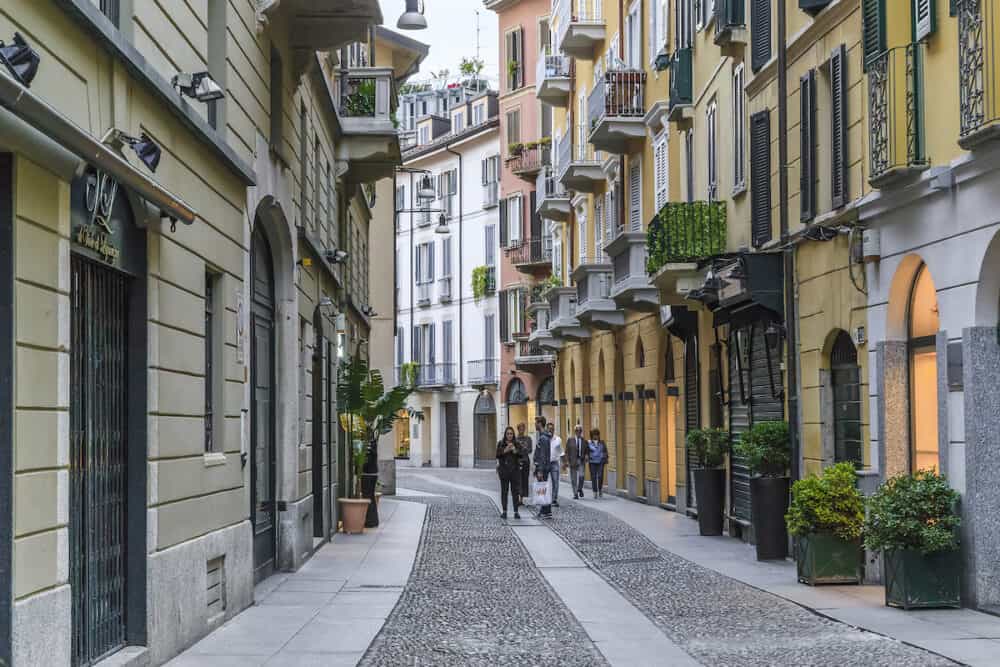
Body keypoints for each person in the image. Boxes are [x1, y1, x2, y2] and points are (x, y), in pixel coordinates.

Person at [496, 426, 522, 519]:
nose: (509, 435)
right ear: (505, 435)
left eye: (511, 433)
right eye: (508, 434)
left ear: (513, 434)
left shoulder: (517, 443)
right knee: (504, 492)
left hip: (514, 471)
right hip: (504, 471)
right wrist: (506, 450)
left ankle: (516, 512)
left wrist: (514, 450)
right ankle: (504, 511)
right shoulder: (501, 443)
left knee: (515, 492)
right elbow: (497, 455)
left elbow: (521, 455)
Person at [533, 416, 552, 518]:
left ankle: (546, 511)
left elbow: (543, 455)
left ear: (540, 423)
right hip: (543, 468)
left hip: (543, 469)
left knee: (543, 489)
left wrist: (540, 470)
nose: (534, 425)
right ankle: (545, 510)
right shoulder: (543, 436)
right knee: (543, 488)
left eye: (536, 423)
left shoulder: (543, 438)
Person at [564, 424, 587, 500]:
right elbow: (566, 451)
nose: (578, 432)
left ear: (581, 431)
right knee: (573, 479)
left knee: (581, 476)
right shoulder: (570, 440)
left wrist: (586, 455)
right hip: (573, 461)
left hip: (581, 460)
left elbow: (587, 451)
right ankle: (575, 493)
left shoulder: (584, 441)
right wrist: (566, 461)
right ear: (575, 431)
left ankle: (579, 488)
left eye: (580, 430)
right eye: (577, 430)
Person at [587, 428, 609, 498]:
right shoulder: (589, 442)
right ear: (592, 435)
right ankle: (595, 491)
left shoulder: (602, 442)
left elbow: (605, 451)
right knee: (593, 477)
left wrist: (605, 457)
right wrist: (587, 456)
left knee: (600, 476)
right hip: (592, 462)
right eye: (594, 435)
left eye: (597, 435)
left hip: (600, 462)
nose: (596, 436)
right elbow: (586, 452)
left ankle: (600, 489)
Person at [515, 423, 533, 505]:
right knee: (518, 480)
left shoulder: (528, 439)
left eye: (523, 429)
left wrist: (522, 449)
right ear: (518, 429)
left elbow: (530, 450)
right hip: (517, 462)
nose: (522, 430)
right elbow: (515, 451)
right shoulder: (515, 439)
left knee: (525, 480)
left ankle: (522, 499)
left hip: (525, 461)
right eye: (520, 429)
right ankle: (518, 497)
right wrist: (522, 449)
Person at [546, 422, 563, 507]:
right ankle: (545, 499)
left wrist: (564, 462)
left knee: (555, 482)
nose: (550, 430)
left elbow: (561, 451)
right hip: (545, 463)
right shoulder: (544, 439)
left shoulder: (558, 439)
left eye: (552, 429)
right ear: (546, 429)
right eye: (549, 429)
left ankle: (554, 500)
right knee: (544, 482)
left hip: (554, 463)